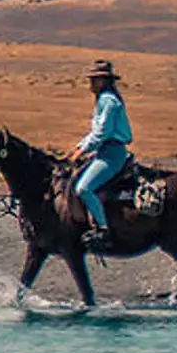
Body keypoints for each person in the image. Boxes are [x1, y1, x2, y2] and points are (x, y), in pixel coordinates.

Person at [74, 59, 134, 248]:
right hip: (104, 150)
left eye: (96, 79)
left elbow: (102, 132)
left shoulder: (108, 101)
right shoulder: (104, 99)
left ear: (105, 81)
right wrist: (79, 147)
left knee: (83, 188)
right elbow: (96, 133)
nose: (91, 83)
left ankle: (103, 229)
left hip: (111, 153)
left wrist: (83, 149)